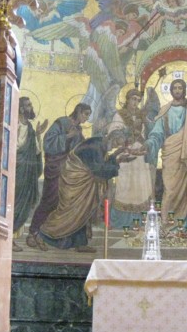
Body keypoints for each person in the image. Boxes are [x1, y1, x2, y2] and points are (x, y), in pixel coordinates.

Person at [137, 79, 187, 223]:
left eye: (180, 88)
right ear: (171, 91)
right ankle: (166, 222)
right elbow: (157, 133)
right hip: (171, 154)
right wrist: (149, 144)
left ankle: (185, 224)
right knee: (169, 190)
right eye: (174, 88)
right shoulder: (165, 110)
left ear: (184, 90)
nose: (177, 90)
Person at [39, 131, 130, 252]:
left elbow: (99, 165)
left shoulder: (99, 144)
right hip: (75, 182)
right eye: (115, 144)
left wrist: (114, 156)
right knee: (71, 212)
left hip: (82, 184)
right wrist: (117, 161)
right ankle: (43, 234)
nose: (114, 147)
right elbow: (99, 170)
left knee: (82, 211)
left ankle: (80, 243)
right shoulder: (95, 147)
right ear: (111, 138)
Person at [26, 103, 92, 250]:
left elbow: (79, 149)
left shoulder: (78, 130)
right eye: (86, 114)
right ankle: (33, 233)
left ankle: (78, 242)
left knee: (75, 202)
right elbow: (48, 144)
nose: (86, 118)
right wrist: (68, 136)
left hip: (70, 171)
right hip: (56, 169)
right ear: (79, 111)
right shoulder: (61, 123)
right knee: (50, 200)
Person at [106, 89, 153, 228]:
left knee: (140, 187)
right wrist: (127, 134)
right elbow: (114, 132)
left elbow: (148, 132)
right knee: (125, 187)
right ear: (127, 99)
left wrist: (144, 130)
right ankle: (122, 222)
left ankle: (140, 220)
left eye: (138, 100)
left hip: (139, 156)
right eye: (133, 99)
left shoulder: (141, 115)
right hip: (126, 154)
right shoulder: (120, 115)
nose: (135, 103)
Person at [12, 97, 47, 252]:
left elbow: (36, 151)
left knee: (24, 204)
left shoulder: (31, 127)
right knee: (15, 202)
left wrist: (38, 135)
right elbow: (15, 145)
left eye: (31, 105)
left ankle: (13, 237)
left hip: (27, 172)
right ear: (20, 108)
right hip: (17, 169)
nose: (30, 107)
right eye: (28, 105)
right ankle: (9, 237)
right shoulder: (14, 123)